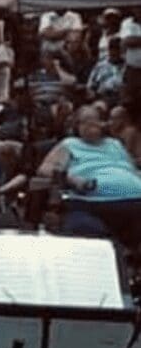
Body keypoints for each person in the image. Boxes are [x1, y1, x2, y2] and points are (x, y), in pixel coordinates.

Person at [37, 104, 141, 244]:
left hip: (136, 200)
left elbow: (132, 169)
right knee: (83, 229)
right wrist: (72, 179)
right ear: (76, 126)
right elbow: (44, 169)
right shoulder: (70, 144)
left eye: (95, 119)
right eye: (85, 120)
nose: (91, 123)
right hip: (92, 204)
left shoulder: (114, 144)